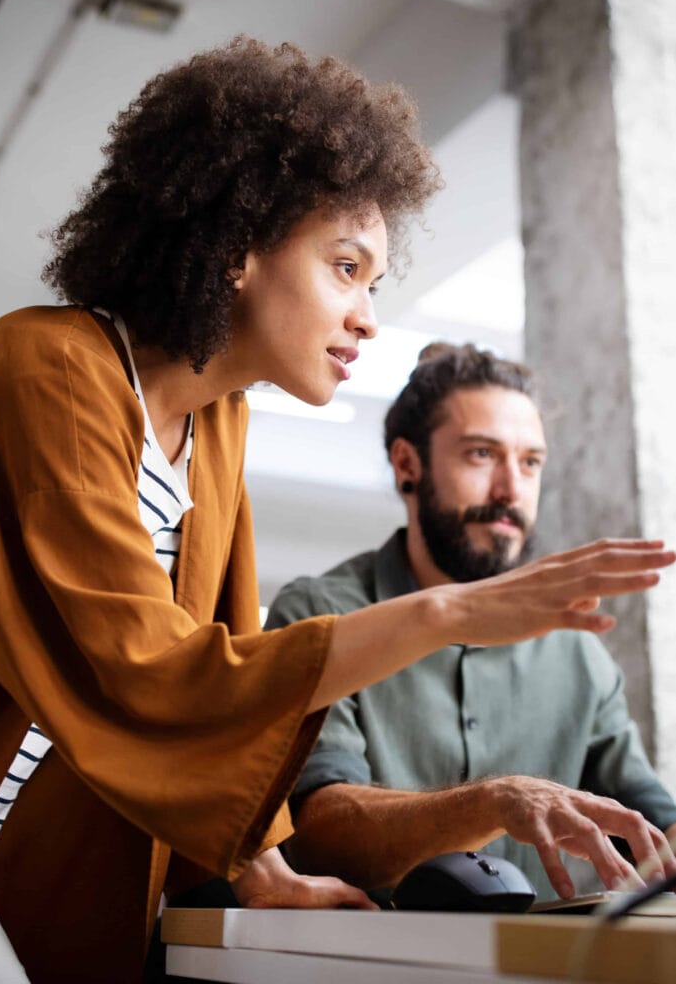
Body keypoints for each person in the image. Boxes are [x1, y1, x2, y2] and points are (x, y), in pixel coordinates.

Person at [0, 40, 672, 984]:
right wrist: (447, 613)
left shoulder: (216, 421)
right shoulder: (45, 374)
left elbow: (221, 669)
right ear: (237, 245)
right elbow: (151, 673)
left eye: (373, 281)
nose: (367, 315)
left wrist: (266, 875)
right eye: (345, 267)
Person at [267, 342, 676, 903]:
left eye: (530, 462)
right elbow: (320, 834)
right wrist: (494, 802)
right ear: (408, 465)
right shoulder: (320, 615)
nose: (511, 491)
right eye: (482, 455)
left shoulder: (576, 649)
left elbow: (647, 822)